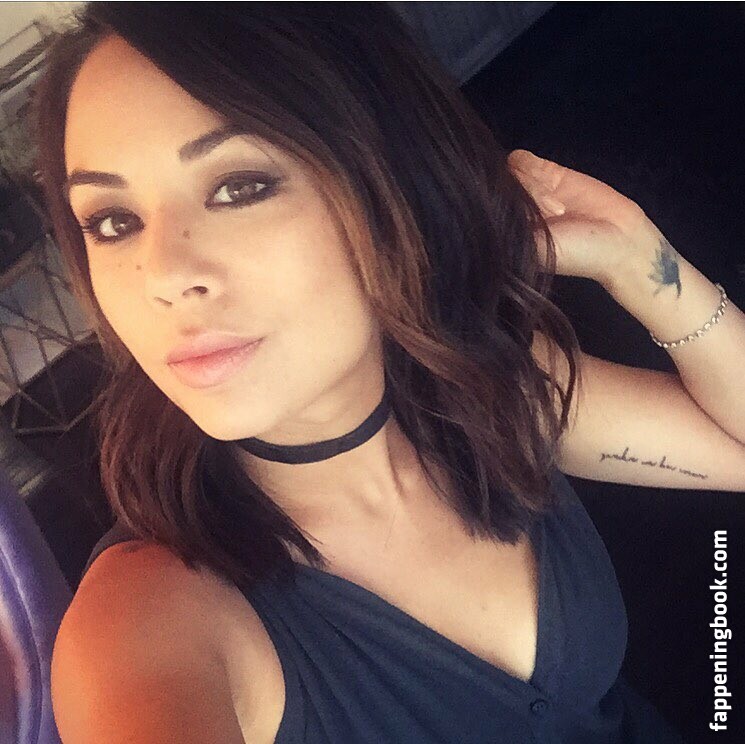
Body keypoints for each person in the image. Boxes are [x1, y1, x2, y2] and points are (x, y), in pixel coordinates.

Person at [35, 3, 689, 742]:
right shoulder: (147, 620)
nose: (162, 275)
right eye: (113, 222)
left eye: (239, 187)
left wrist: (636, 259)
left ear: (392, 184)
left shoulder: (490, 391)